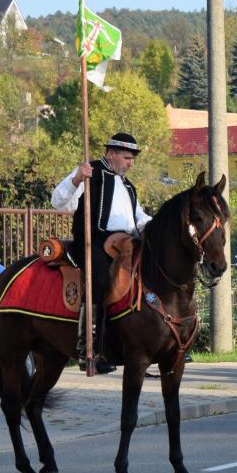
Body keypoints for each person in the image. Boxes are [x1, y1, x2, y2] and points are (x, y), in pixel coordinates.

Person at [50, 132, 152, 372]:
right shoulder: (90, 172)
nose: (131, 164)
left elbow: (139, 219)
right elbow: (57, 201)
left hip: (124, 244)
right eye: (127, 158)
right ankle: (88, 350)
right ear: (112, 154)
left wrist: (156, 227)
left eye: (132, 159)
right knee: (100, 280)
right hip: (92, 241)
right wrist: (77, 179)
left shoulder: (129, 187)